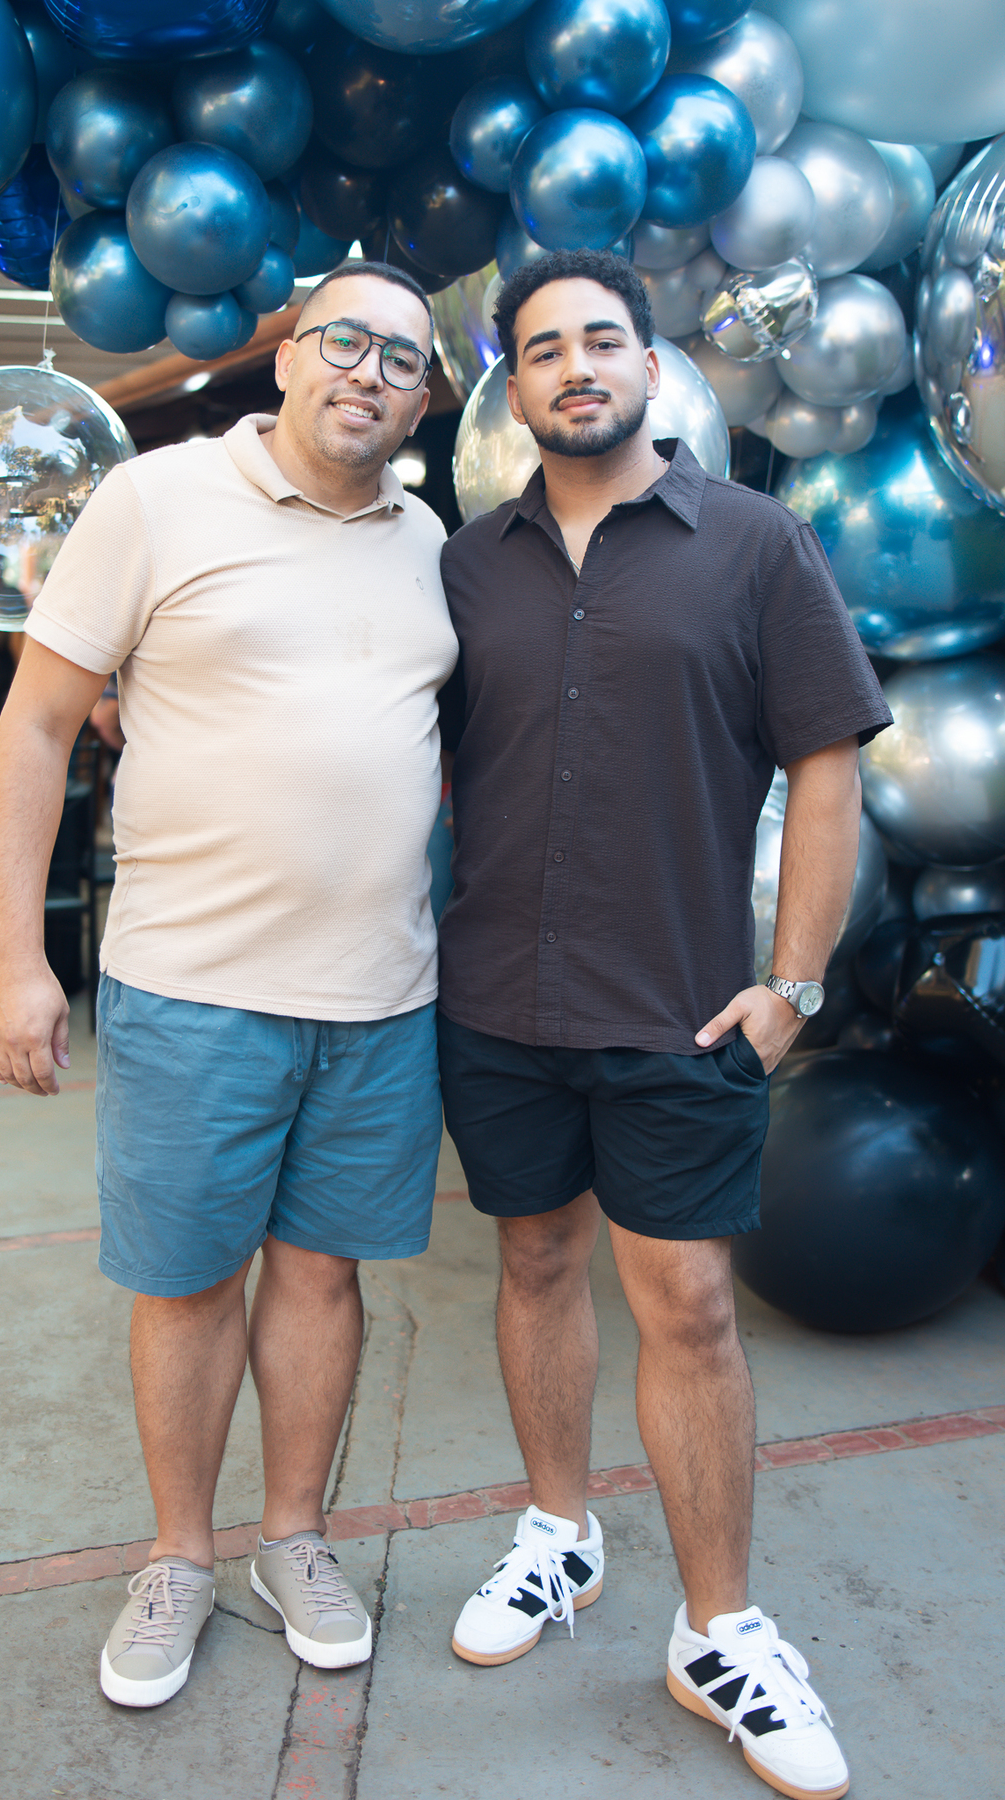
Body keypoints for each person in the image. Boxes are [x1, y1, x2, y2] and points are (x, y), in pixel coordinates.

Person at [436, 250, 891, 1800]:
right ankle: (558, 1536)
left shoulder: (757, 544)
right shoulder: (466, 566)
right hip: (497, 999)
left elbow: (827, 764)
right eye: (543, 347)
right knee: (534, 1262)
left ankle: (720, 1632)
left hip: (681, 1007)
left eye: (602, 339)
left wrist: (796, 983)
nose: (576, 365)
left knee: (689, 1307)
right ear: (513, 387)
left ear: (651, 364)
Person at [0, 262, 455, 1711]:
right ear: (290, 356)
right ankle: (179, 1554)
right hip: (195, 987)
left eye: (404, 359)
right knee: (188, 1285)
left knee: (322, 1275)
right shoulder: (156, 500)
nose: (369, 371)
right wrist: (14, 958)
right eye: (345, 340)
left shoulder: (431, 538)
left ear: (424, 399)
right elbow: (37, 727)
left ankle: (291, 1538)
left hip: (382, 995)